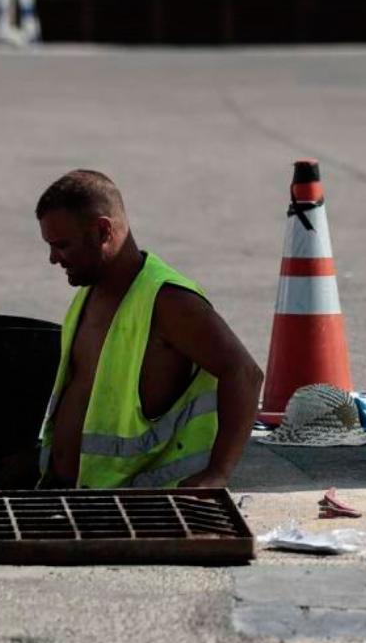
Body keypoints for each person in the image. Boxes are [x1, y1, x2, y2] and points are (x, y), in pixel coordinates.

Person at [35, 170, 263, 489]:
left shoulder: (168, 300)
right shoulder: (89, 291)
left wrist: (217, 473)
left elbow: (244, 373)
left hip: (142, 503)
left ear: (103, 230)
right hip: (79, 494)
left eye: (62, 245)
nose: (53, 258)